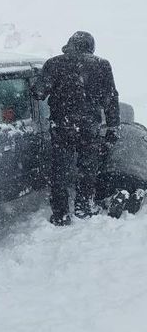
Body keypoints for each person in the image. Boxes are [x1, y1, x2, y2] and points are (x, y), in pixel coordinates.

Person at [33, 31, 120, 226]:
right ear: (90, 46)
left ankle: (61, 214)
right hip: (89, 128)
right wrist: (113, 126)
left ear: (70, 44)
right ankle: (83, 207)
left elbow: (39, 92)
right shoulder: (102, 65)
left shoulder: (54, 63)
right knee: (87, 169)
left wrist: (38, 84)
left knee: (60, 171)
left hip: (62, 126)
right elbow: (111, 99)